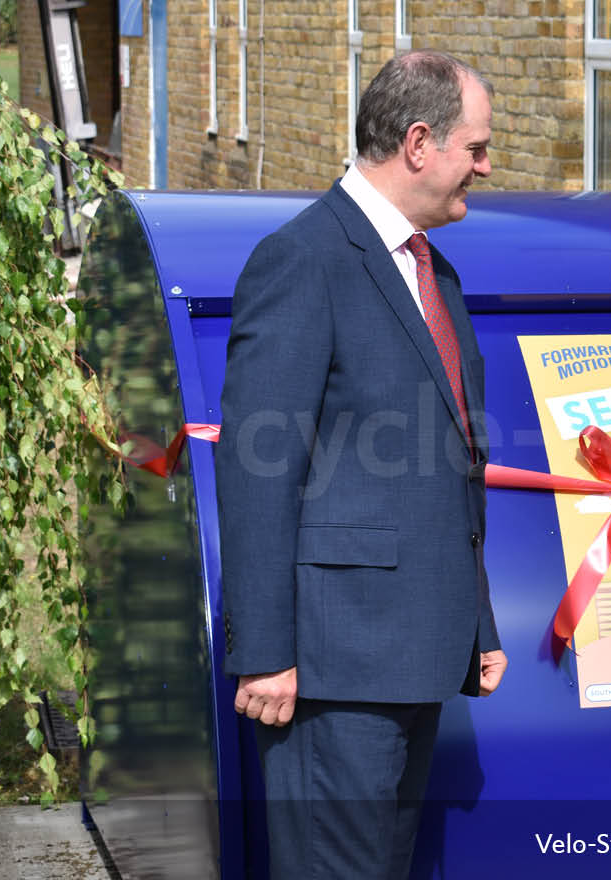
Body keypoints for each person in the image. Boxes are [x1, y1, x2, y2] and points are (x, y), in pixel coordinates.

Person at [216, 50, 506, 880]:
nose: (486, 167)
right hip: (330, 669)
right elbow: (258, 468)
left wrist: (476, 627)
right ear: (419, 142)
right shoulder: (303, 259)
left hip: (414, 655)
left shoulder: (431, 271)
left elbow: (450, 465)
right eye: (475, 148)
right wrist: (266, 652)